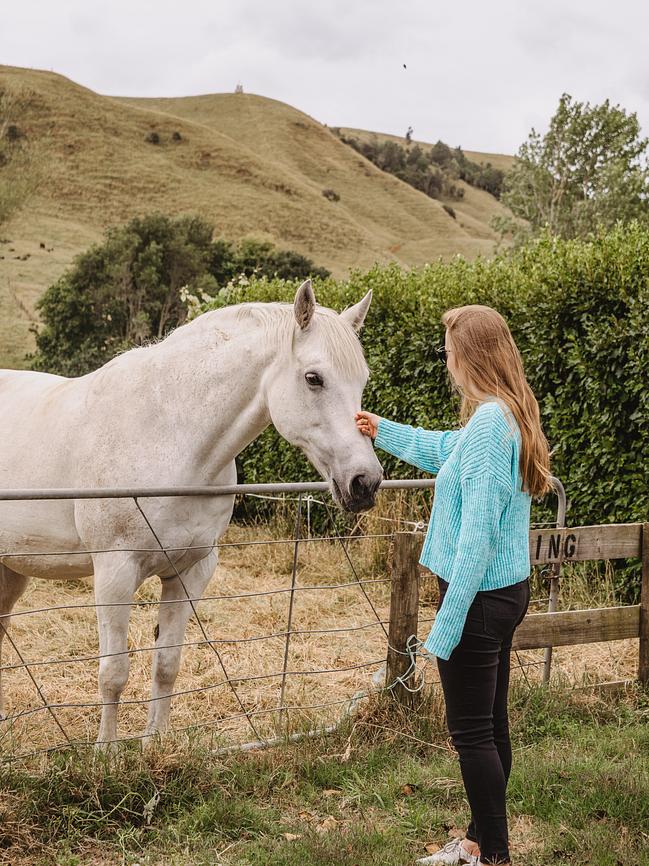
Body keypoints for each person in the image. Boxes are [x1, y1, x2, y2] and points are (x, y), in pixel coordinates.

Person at [355, 304, 552, 866]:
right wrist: (381, 430)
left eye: (448, 352)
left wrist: (447, 622)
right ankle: (477, 843)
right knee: (490, 726)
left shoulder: (490, 424)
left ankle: (495, 856)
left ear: (470, 356)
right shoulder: (502, 414)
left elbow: (477, 539)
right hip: (502, 594)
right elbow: (445, 449)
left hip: (478, 598)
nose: (446, 363)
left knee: (471, 736)